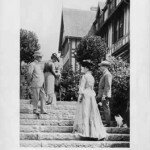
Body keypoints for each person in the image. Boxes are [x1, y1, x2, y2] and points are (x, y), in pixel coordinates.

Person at [73, 60, 107, 140]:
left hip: (85, 95)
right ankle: (92, 131)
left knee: (85, 112)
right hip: (91, 95)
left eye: (84, 68)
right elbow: (91, 87)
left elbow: (81, 87)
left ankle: (85, 131)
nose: (83, 69)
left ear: (87, 68)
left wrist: (80, 96)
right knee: (91, 112)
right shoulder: (92, 77)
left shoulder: (84, 76)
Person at [97, 60, 112, 127]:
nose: (100, 67)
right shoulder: (104, 74)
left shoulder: (107, 74)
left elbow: (107, 86)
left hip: (105, 95)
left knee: (106, 108)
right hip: (102, 94)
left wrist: (104, 95)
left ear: (105, 67)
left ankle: (108, 123)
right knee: (104, 108)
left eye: (101, 66)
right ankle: (105, 122)